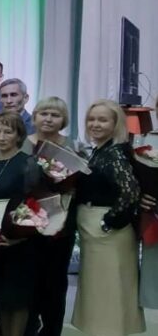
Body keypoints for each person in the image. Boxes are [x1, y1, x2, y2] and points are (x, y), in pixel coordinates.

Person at [72, 99, 144, 336]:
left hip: (108, 233)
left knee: (108, 293)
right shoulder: (101, 150)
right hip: (97, 231)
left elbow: (130, 191)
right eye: (91, 119)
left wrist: (109, 222)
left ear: (115, 124)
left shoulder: (115, 152)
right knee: (99, 292)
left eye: (102, 120)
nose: (95, 124)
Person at [22, 97, 79, 336]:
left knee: (55, 282)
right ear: (34, 116)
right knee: (30, 280)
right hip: (27, 222)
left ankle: (51, 329)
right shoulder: (23, 143)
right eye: (44, 113)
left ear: (63, 120)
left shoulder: (71, 145)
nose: (48, 119)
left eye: (55, 115)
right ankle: (29, 326)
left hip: (60, 225)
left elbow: (77, 183)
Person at [0, 111, 40, 336]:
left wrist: (19, 236)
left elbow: (37, 203)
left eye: (8, 132)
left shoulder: (28, 163)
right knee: (3, 299)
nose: (2, 136)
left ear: (19, 135)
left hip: (19, 242)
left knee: (18, 300)